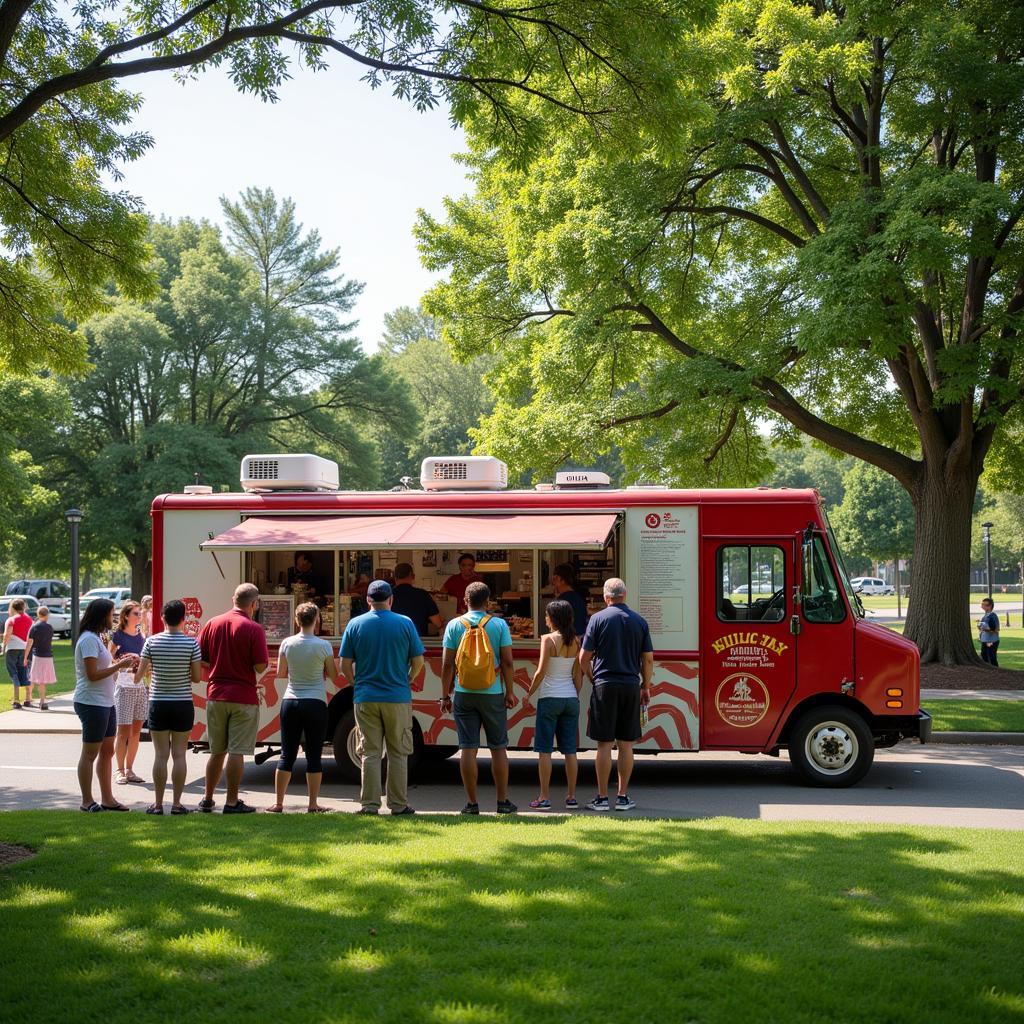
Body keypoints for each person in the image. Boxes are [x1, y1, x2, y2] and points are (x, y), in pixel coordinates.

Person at [340, 580, 424, 815]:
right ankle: (398, 805)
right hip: (397, 696)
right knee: (398, 752)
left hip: (365, 697)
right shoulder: (405, 623)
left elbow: (345, 664)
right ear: (391, 599)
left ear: (367, 600)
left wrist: (354, 683)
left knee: (369, 752)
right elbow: (418, 661)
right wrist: (408, 678)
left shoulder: (355, 624)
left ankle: (369, 805)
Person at [440, 581, 518, 815]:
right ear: (488, 601)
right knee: (498, 748)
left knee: (467, 748)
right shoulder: (499, 625)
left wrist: (445, 695)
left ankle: (472, 804)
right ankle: (502, 802)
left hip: (463, 693)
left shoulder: (454, 625)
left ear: (465, 600)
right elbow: (507, 662)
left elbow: (446, 664)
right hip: (493, 693)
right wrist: (510, 691)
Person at [579, 578, 653, 812]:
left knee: (604, 744)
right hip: (631, 684)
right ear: (625, 595)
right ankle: (622, 797)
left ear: (605, 596)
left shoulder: (597, 620)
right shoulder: (639, 621)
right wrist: (646, 686)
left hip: (605, 685)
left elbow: (584, 657)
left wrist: (592, 678)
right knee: (626, 744)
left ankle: (601, 798)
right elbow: (648, 658)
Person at [197, 583, 269, 814]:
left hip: (216, 694)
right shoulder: (254, 628)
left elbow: (202, 660)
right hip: (243, 697)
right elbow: (260, 666)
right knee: (237, 750)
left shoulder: (212, 623)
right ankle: (231, 801)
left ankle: (207, 799)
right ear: (254, 604)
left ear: (233, 599)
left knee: (217, 750)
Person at [268, 602, 336, 813]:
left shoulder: (287, 643)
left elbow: (280, 673)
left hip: (291, 701)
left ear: (296, 621)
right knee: (314, 755)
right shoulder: (323, 645)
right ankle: (313, 803)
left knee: (287, 754)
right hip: (316, 701)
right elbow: (334, 674)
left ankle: (278, 803)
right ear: (316, 620)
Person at [135, 599, 202, 815]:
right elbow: (197, 678)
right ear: (183, 619)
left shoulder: (151, 642)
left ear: (162, 618)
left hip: (158, 703)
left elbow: (139, 676)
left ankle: (157, 804)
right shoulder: (191, 644)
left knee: (160, 755)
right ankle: (176, 804)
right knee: (180, 755)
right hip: (182, 703)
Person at [73, 598, 136, 811]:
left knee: (107, 751)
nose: (115, 617)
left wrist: (120, 665)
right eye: (112, 614)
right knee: (90, 753)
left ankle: (108, 799)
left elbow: (104, 669)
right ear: (102, 616)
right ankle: (86, 801)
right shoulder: (89, 640)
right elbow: (92, 675)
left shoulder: (98, 638)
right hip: (91, 703)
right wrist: (119, 665)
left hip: (106, 703)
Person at [522, 600, 582, 809]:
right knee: (570, 751)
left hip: (549, 698)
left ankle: (544, 797)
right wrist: (574, 694)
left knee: (545, 750)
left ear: (553, 619)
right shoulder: (576, 641)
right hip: (570, 698)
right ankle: (571, 796)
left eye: (547, 615)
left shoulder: (548, 640)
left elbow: (540, 672)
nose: (545, 619)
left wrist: (528, 694)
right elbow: (578, 675)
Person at [110, 601, 147, 785]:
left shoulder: (141, 635)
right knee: (123, 731)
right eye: (135, 613)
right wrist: (121, 665)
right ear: (125, 616)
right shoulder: (117, 635)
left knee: (136, 732)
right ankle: (119, 770)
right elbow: (109, 658)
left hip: (140, 687)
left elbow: (147, 659)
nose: (139, 616)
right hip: (124, 687)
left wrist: (141, 662)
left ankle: (130, 769)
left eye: (139, 613)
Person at [391, 562, 443, 636]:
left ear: (394, 577)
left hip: (394, 641)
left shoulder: (388, 595)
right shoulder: (423, 595)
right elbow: (437, 623)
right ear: (413, 576)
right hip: (418, 641)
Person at [24, 606, 55, 710]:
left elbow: (29, 643)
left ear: (38, 615)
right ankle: (42, 702)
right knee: (42, 680)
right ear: (47, 615)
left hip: (37, 656)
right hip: (48, 656)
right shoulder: (50, 627)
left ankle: (28, 699)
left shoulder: (34, 627)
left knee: (33, 677)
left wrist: (25, 657)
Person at [4, 597, 32, 708]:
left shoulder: (11, 620)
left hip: (12, 648)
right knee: (25, 672)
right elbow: (31, 637)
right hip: (25, 648)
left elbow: (7, 635)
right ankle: (28, 699)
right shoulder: (30, 620)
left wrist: (3, 646)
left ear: (13, 607)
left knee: (13, 673)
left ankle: (16, 700)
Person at [551, 563, 589, 637]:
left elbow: (556, 626)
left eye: (555, 578)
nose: (553, 582)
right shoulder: (578, 597)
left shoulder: (562, 600)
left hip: (567, 640)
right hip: (579, 639)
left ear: (562, 580)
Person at [978, 597, 1001, 666]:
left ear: (990, 606)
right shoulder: (985, 616)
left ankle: (996, 671)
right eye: (982, 604)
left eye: (984, 604)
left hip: (991, 641)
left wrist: (987, 630)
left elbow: (996, 629)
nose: (982, 606)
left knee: (991, 657)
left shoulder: (992, 616)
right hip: (985, 640)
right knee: (984, 656)